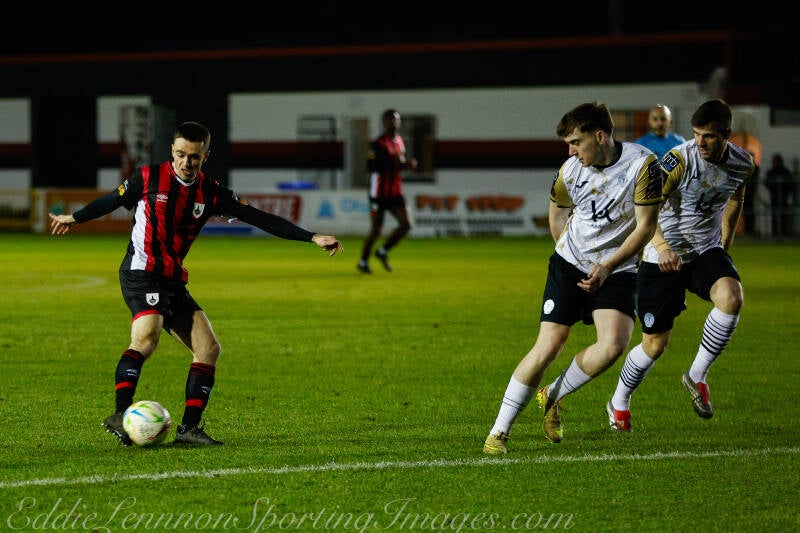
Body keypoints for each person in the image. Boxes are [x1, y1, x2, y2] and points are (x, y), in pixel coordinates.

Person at [49, 121, 343, 447]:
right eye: (180, 155)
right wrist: (73, 218)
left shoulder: (212, 192)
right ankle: (121, 413)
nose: (186, 163)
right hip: (141, 271)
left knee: (208, 349)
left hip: (173, 278)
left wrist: (312, 237)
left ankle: (188, 429)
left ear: (206, 155)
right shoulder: (147, 178)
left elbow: (261, 218)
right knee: (146, 338)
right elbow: (110, 201)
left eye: (194, 157)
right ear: (172, 151)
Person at [482, 102, 663, 454]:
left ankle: (552, 394)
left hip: (618, 269)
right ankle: (499, 432)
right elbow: (558, 212)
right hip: (570, 265)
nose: (571, 151)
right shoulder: (570, 170)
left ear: (600, 136)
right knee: (549, 345)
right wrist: (571, 258)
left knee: (613, 346)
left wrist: (608, 266)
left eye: (576, 142)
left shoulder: (643, 167)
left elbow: (646, 227)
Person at [607, 99, 755, 432]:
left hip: (704, 251)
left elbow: (736, 198)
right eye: (697, 135)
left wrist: (725, 245)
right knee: (655, 345)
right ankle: (618, 401)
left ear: (727, 135)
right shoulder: (679, 161)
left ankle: (697, 374)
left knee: (731, 297)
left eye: (710, 137)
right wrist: (662, 247)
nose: (701, 143)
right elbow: (644, 208)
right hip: (662, 254)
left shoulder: (743, 163)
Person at [357, 109, 417, 274]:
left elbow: (399, 163)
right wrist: (402, 165)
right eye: (391, 120)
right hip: (379, 194)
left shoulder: (398, 141)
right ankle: (363, 262)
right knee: (376, 230)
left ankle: (382, 251)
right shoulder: (378, 144)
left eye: (397, 120)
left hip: (395, 192)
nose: (395, 123)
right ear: (384, 123)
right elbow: (372, 167)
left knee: (406, 225)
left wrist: (405, 164)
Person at [764, 153, 794, 237]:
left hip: (782, 198)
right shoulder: (778, 172)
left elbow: (790, 184)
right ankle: (778, 233)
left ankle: (781, 233)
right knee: (777, 216)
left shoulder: (782, 171)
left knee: (782, 216)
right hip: (777, 197)